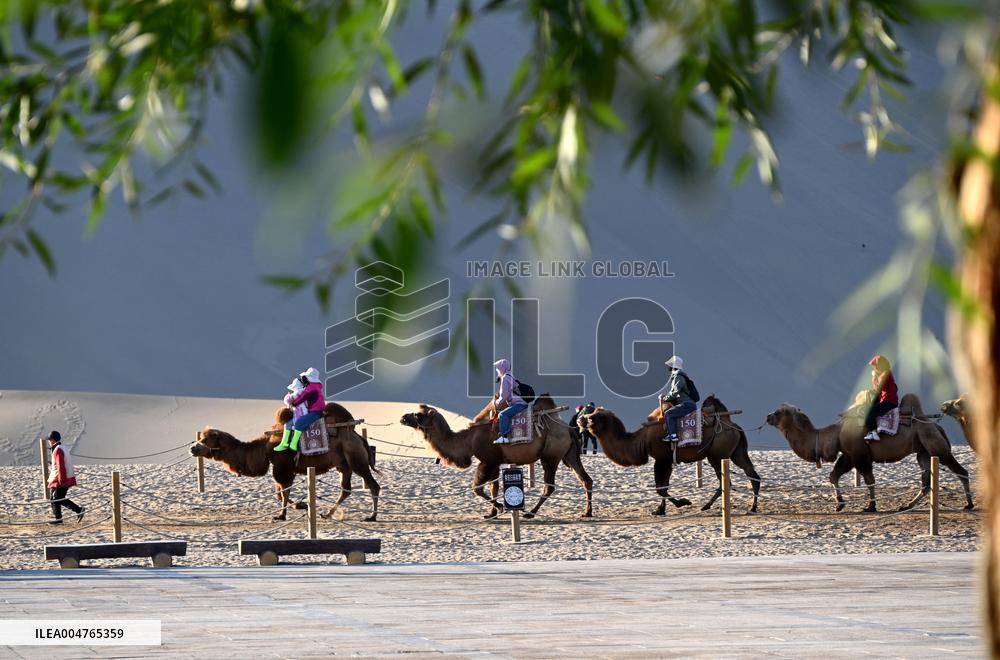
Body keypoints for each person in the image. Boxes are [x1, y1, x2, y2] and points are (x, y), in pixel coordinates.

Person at [274, 367, 325, 452]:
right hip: (315, 409)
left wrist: (293, 403)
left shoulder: (311, 387)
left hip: (315, 411)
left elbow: (302, 397)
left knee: (299, 423)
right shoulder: (316, 386)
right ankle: (284, 443)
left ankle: (294, 444)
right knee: (289, 423)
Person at [47, 431, 84, 524]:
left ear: (52, 440)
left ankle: (78, 510)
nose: (49, 441)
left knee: (57, 498)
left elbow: (61, 466)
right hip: (60, 477)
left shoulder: (58, 449)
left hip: (60, 478)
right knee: (55, 498)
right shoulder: (62, 447)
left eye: (49, 439)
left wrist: (61, 480)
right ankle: (59, 518)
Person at [661, 356, 698, 442]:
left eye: (670, 364)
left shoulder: (678, 376)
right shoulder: (679, 375)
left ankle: (673, 435)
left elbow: (675, 392)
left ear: (673, 366)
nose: (668, 366)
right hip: (687, 403)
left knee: (669, 414)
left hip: (687, 404)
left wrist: (665, 398)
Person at [863, 354, 898, 442]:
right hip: (884, 399)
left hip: (889, 401)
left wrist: (874, 376)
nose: (874, 368)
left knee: (870, 412)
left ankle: (874, 433)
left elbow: (877, 388)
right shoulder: (883, 373)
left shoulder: (885, 374)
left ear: (880, 366)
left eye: (876, 366)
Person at [492, 358, 527, 445]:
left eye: (497, 368)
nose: (496, 370)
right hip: (520, 402)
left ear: (502, 368)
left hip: (519, 404)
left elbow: (504, 395)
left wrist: (496, 402)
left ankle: (504, 437)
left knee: (502, 414)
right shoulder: (510, 375)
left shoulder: (505, 378)